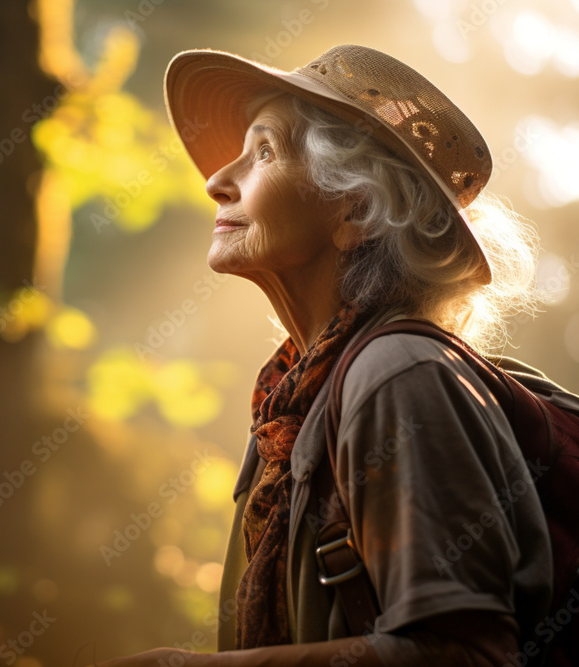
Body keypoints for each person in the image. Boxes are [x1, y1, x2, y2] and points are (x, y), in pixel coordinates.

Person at [91, 45, 556, 666]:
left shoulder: (397, 375)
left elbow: (466, 655)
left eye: (262, 152)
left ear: (355, 210)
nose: (215, 181)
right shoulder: (291, 401)